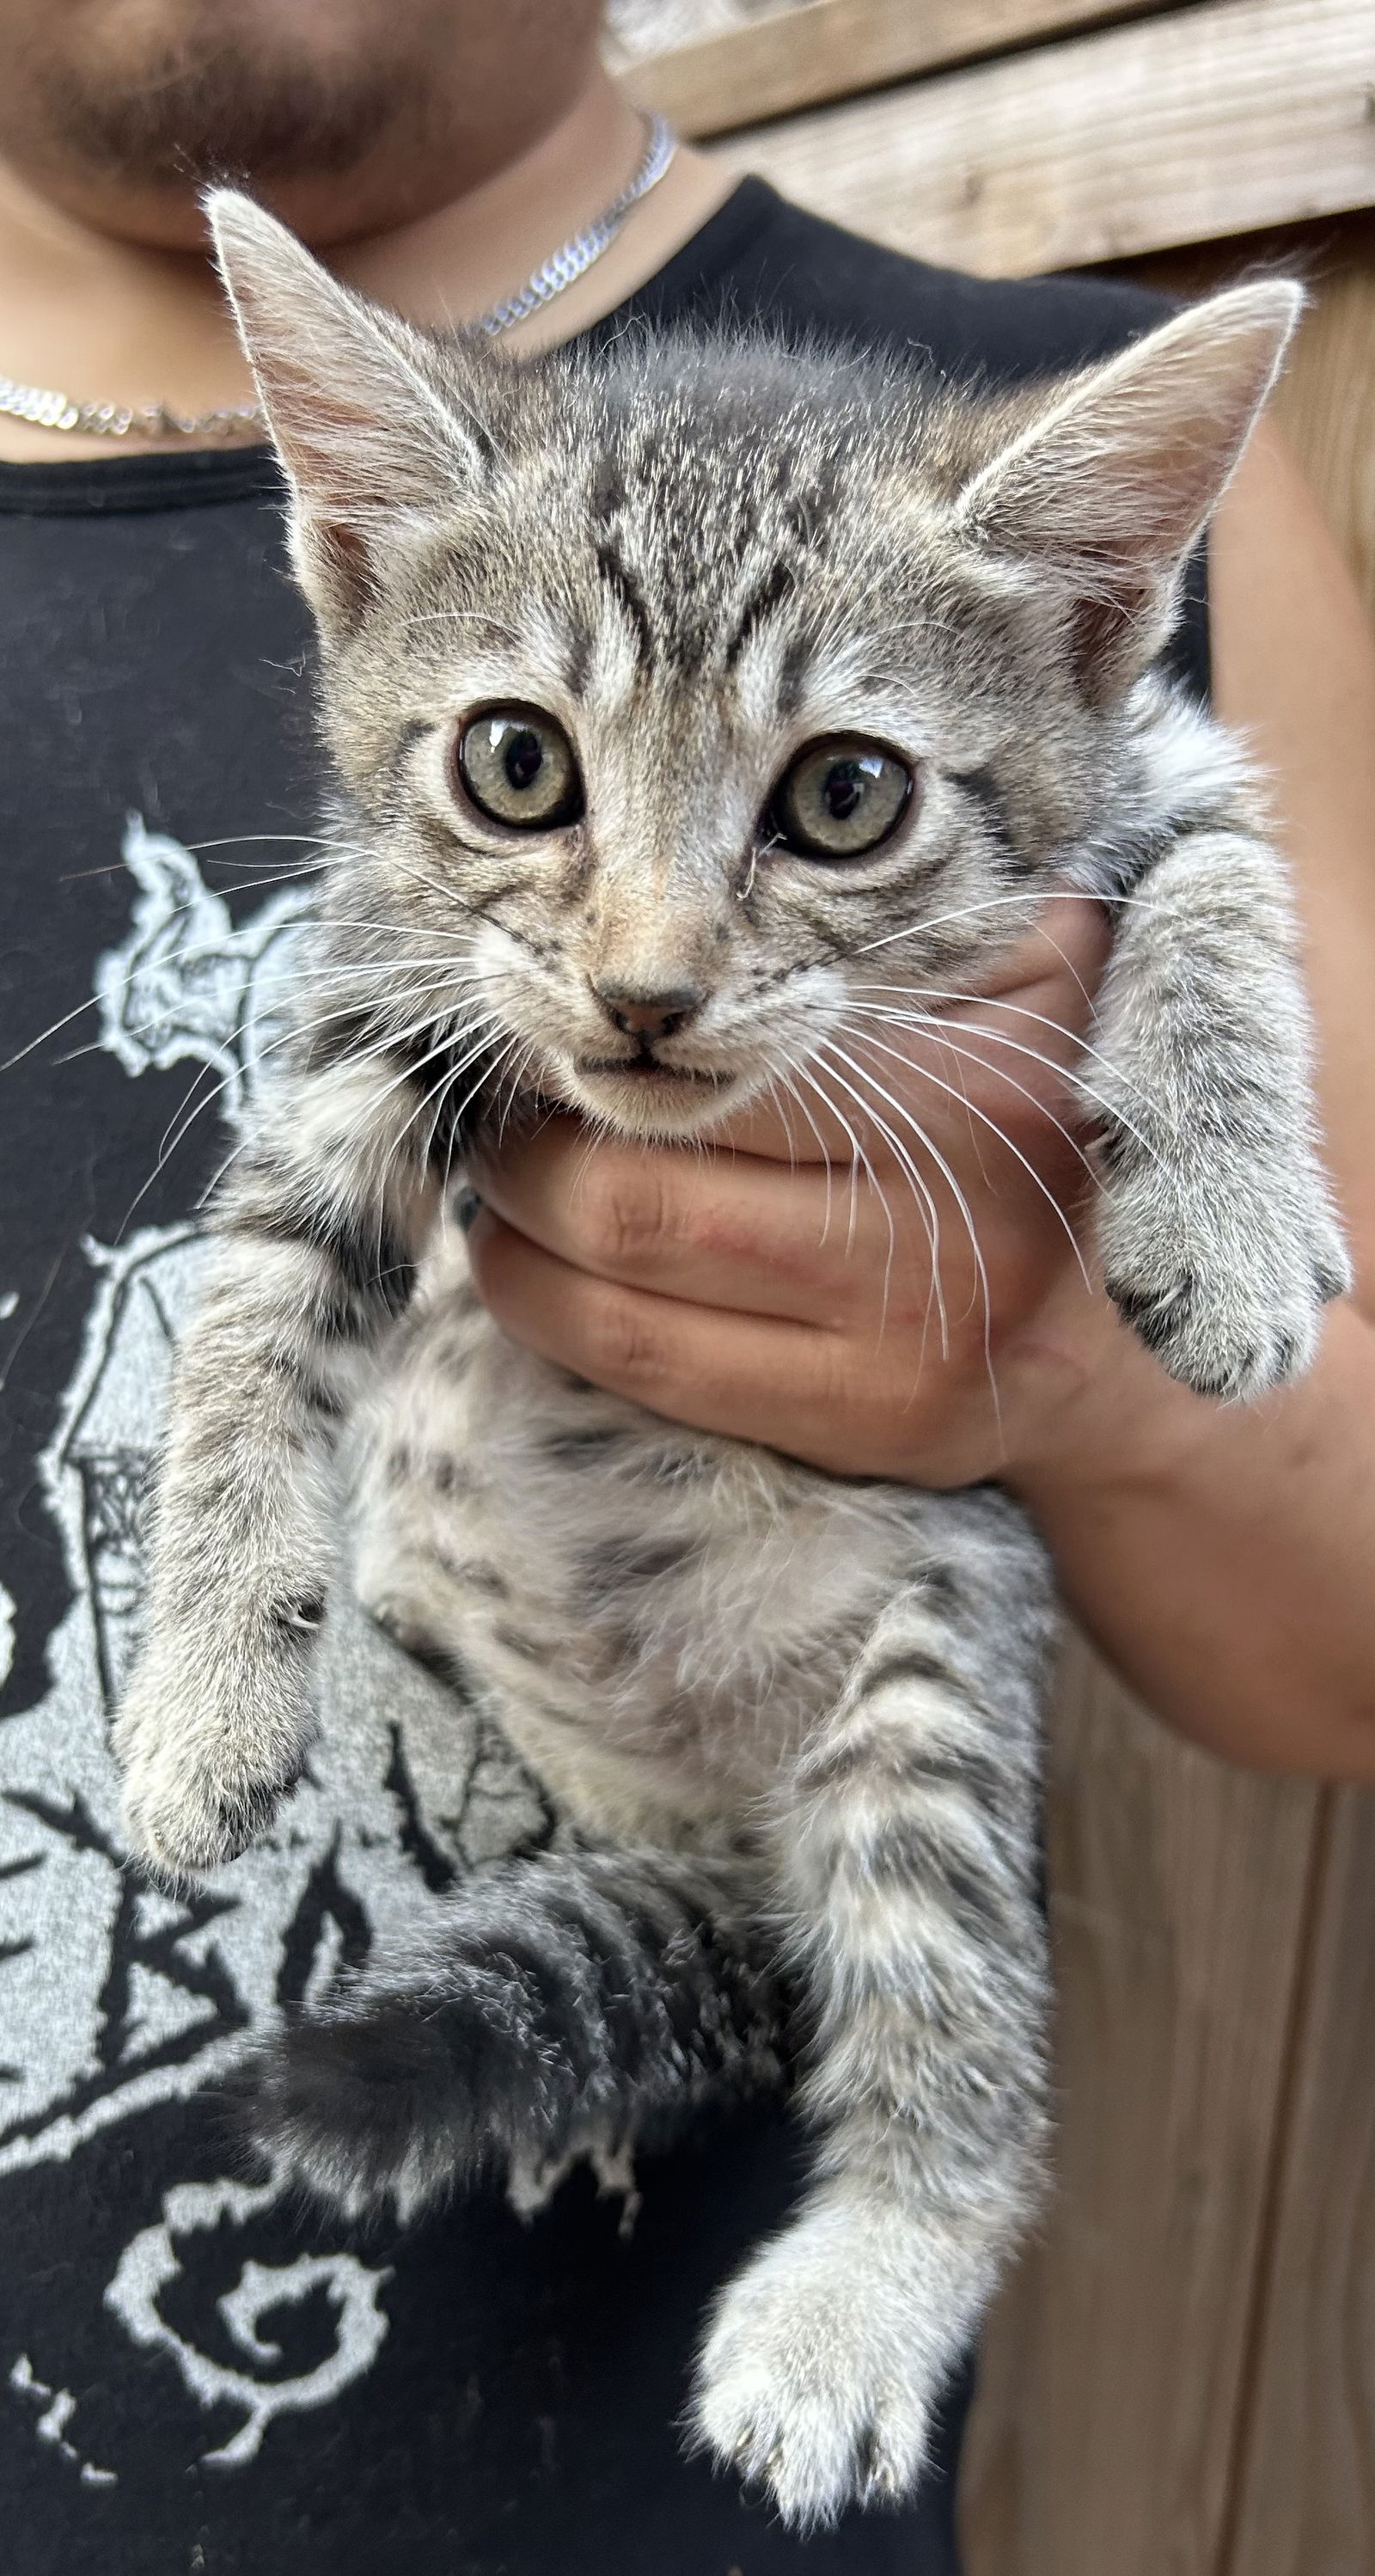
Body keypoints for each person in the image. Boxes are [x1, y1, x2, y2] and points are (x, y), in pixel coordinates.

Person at [0, 4, 1372, 2569]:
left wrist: (1082, 1370)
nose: (643, 963)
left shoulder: (1033, 451)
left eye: (828, 800)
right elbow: (305, 1194)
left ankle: (927, 2177)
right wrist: (226, 1580)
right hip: (446, 1632)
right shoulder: (448, 529)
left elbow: (1186, 826)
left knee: (913, 1611)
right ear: (354, 548)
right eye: (522, 772)